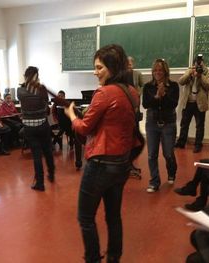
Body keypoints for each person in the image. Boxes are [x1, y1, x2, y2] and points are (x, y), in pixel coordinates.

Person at [64, 44, 139, 263]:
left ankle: (93, 259)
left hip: (100, 163)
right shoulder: (131, 92)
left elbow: (84, 128)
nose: (95, 72)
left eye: (99, 67)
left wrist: (71, 115)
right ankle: (114, 258)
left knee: (85, 217)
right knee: (113, 216)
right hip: (122, 163)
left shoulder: (104, 93)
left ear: (113, 67)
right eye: (95, 67)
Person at [142, 58, 179, 193]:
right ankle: (154, 182)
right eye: (155, 70)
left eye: (160, 70)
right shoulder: (148, 87)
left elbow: (173, 104)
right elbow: (145, 104)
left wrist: (164, 95)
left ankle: (171, 172)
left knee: (168, 153)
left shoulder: (173, 86)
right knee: (152, 154)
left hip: (168, 123)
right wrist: (157, 96)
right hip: (152, 123)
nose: (157, 73)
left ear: (165, 72)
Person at [17, 66, 55, 191]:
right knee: (48, 151)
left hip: (29, 126)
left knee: (37, 155)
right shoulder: (41, 90)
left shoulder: (20, 90)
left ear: (25, 76)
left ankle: (40, 183)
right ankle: (52, 173)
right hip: (42, 124)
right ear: (36, 76)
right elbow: (46, 103)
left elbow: (23, 95)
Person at [175, 54, 209, 153]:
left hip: (200, 104)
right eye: (197, 64)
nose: (198, 66)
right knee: (184, 124)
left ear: (203, 64)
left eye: (200, 64)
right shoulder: (189, 71)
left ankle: (198, 145)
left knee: (200, 126)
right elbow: (181, 81)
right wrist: (189, 73)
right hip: (188, 102)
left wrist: (200, 76)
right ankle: (181, 142)